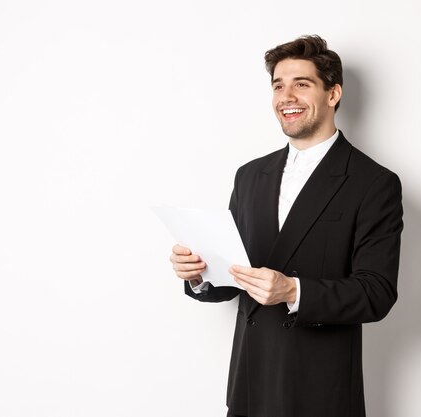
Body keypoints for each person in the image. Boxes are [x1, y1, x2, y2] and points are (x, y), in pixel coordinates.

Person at [170, 35, 403, 417]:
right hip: (250, 385)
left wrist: (294, 291)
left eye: (302, 84)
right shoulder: (249, 176)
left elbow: (376, 292)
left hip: (320, 392)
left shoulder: (373, 182)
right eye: (278, 85)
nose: (286, 96)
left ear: (333, 94)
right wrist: (198, 273)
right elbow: (231, 278)